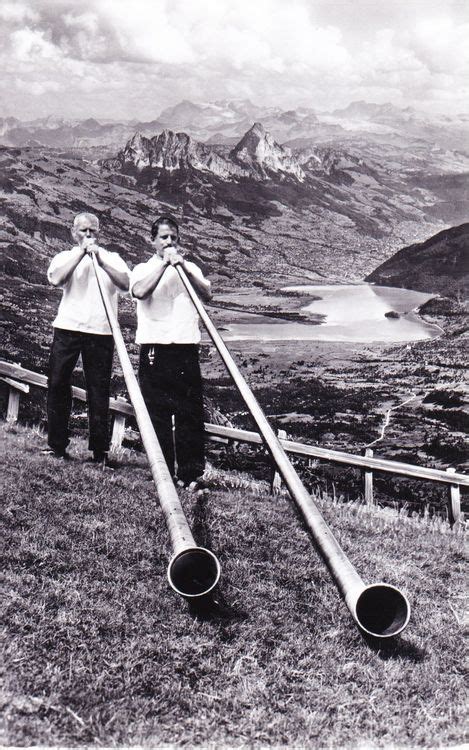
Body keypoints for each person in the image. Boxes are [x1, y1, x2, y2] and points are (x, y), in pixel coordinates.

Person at [130, 215, 211, 487]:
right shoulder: (143, 268)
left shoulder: (190, 267)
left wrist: (184, 268)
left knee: (189, 411)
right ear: (152, 241)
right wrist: (164, 264)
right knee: (158, 412)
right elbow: (140, 292)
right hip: (156, 347)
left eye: (173, 238)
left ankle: (191, 475)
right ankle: (163, 473)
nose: (169, 242)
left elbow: (207, 293)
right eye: (163, 237)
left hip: (186, 348)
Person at [43, 212, 130, 464]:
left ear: (99, 233)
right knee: (58, 383)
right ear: (74, 233)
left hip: (100, 332)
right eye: (83, 231)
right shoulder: (65, 256)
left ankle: (99, 453)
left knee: (98, 390)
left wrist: (99, 259)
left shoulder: (112, 258)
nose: (89, 235)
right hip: (68, 328)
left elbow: (125, 284)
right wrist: (82, 253)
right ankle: (57, 446)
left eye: (93, 230)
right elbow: (57, 279)